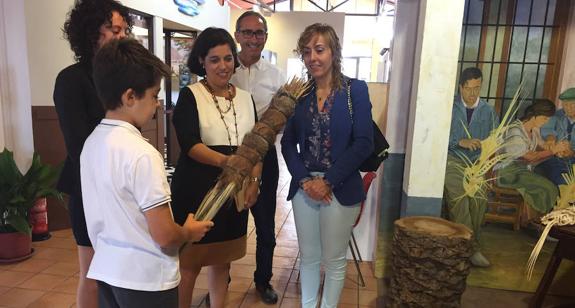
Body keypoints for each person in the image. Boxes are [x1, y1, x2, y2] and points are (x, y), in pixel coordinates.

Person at [81, 38, 213, 308]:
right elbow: (164, 235)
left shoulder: (91, 143)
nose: (156, 105)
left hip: (107, 271)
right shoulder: (142, 154)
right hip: (146, 281)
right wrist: (187, 232)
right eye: (153, 95)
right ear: (130, 97)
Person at [281, 23, 373, 308]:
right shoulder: (299, 94)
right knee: (308, 257)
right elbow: (287, 143)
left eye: (319, 50)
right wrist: (304, 181)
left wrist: (327, 181)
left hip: (340, 188)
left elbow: (364, 142)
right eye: (306, 52)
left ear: (334, 52)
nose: (313, 58)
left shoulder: (354, 91)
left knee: (333, 261)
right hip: (305, 188)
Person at [170, 28, 262, 308]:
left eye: (228, 58)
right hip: (196, 189)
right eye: (214, 60)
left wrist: (254, 181)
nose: (223, 66)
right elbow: (189, 145)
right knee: (189, 265)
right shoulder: (190, 95)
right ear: (201, 62)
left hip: (233, 193)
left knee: (222, 263)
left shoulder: (246, 98)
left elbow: (257, 146)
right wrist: (227, 162)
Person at [53, 1, 131, 306]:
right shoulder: (71, 79)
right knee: (92, 270)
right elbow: (78, 147)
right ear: (89, 33)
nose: (121, 35)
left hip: (122, 186)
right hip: (90, 189)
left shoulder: (123, 79)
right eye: (114, 29)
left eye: (124, 29)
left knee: (118, 270)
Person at [229, 11, 286, 304]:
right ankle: (221, 275)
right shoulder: (225, 69)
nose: (253, 39)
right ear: (237, 35)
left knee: (265, 223)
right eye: (247, 33)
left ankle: (262, 280)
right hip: (230, 156)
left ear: (265, 38)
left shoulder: (277, 76)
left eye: (259, 33)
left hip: (266, 156)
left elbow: (285, 118)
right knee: (228, 219)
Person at [443, 67, 498, 268]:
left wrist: (488, 165)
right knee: (459, 202)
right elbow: (440, 136)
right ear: (460, 87)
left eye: (477, 88)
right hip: (453, 161)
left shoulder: (489, 111)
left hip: (478, 164)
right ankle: (469, 251)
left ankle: (469, 247)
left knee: (478, 202)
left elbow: (495, 140)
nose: (472, 93)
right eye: (468, 88)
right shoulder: (450, 107)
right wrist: (461, 142)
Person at [496, 99, 561, 224]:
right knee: (549, 187)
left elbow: (542, 146)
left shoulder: (534, 129)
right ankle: (539, 221)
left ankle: (537, 220)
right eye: (544, 118)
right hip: (508, 173)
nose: (546, 122)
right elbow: (530, 157)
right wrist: (553, 151)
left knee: (548, 186)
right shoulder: (515, 131)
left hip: (522, 171)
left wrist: (555, 146)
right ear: (533, 115)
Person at [539, 88, 575, 185]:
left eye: (572, 104)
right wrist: (550, 138)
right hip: (557, 159)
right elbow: (547, 128)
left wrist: (572, 152)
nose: (569, 108)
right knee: (559, 180)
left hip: (573, 159)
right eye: (565, 105)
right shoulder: (557, 115)